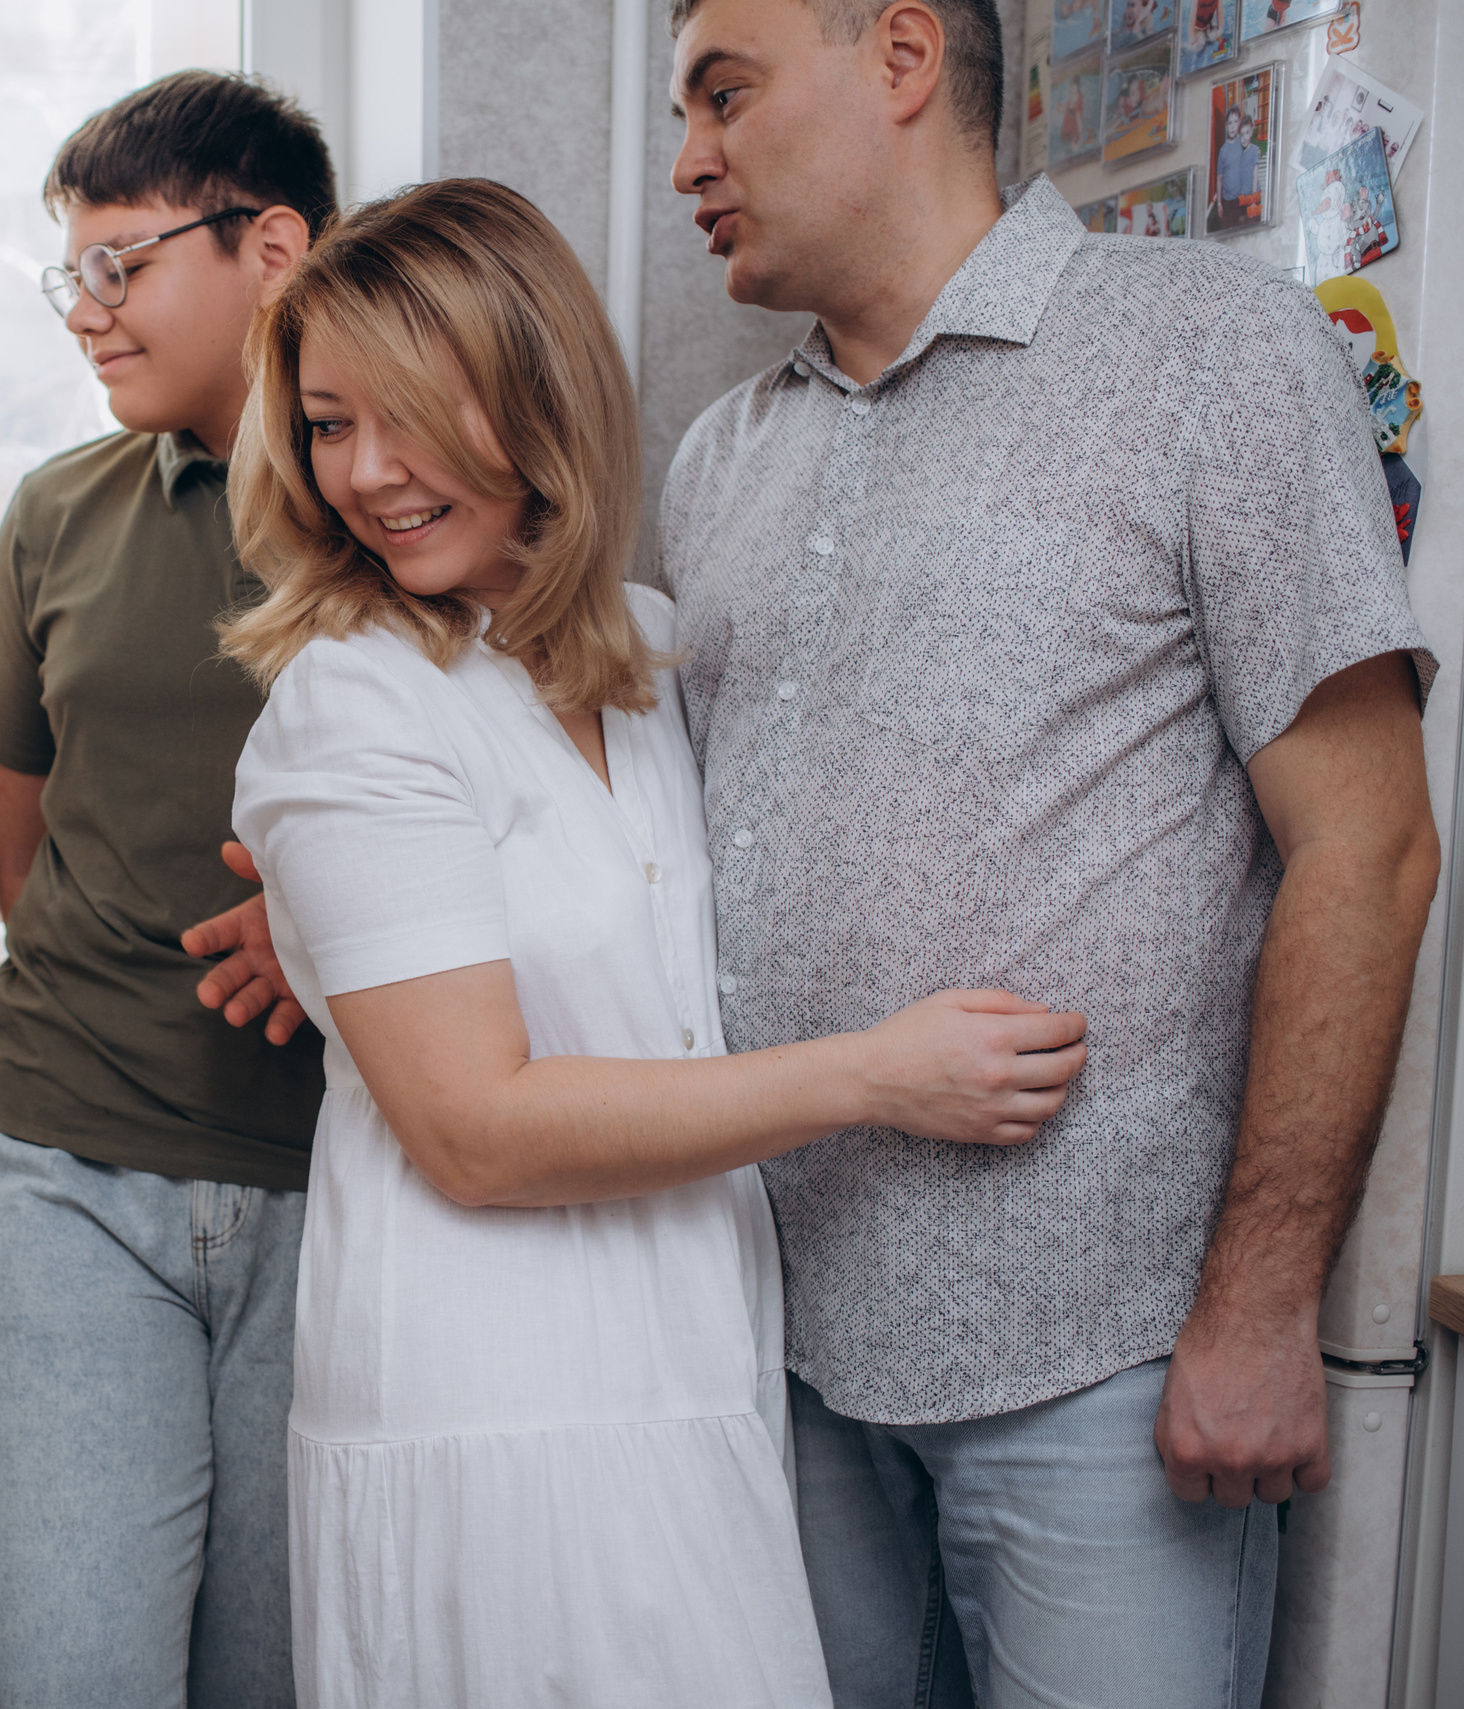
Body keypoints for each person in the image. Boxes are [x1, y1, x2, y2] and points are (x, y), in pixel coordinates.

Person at [217, 176, 1088, 1709]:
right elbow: (477, 1129)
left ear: (541, 396)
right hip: (497, 1405)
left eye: (413, 413)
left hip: (689, 1359)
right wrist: (878, 1077)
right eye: (330, 423)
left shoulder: (637, 648)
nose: (369, 473)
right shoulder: (354, 700)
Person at [660, 0, 1436, 1699]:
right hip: (774, 1355)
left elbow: (1368, 852)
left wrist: (1256, 1303)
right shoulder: (724, 453)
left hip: (1101, 1362)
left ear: (903, 56)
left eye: (724, 93)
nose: (686, 161)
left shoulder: (1211, 352)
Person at [0, 70, 336, 1709]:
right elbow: (23, 843)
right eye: (72, 273)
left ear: (274, 250)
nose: (87, 314)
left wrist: (334, 931)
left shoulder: (408, 513)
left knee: (285, 1675)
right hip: (64, 1163)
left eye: (126, 264)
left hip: (348, 1187)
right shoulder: (56, 513)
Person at [1216, 100, 1262, 225]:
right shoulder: (1223, 151)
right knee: (1229, 227)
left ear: (1239, 124)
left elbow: (1250, 149)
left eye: (1235, 122)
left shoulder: (1242, 142)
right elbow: (1219, 178)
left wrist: (1256, 151)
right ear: (1226, 125)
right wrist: (1219, 203)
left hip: (1241, 196)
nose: (1232, 126)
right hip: (1226, 199)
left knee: (1244, 224)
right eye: (1229, 123)